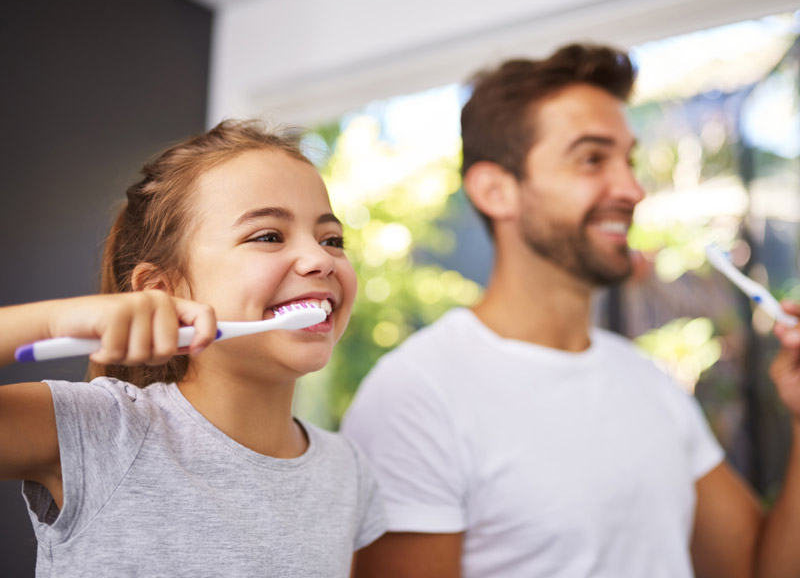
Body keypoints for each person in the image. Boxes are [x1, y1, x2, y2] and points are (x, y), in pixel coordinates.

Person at [341, 44, 800, 577]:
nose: (631, 189)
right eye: (591, 158)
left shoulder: (646, 382)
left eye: (627, 159)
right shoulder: (415, 396)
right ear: (496, 191)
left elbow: (759, 570)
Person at [0, 120, 386, 577]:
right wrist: (51, 321)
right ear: (164, 290)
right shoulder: (96, 431)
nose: (321, 259)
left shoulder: (349, 474)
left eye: (332, 240)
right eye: (268, 236)